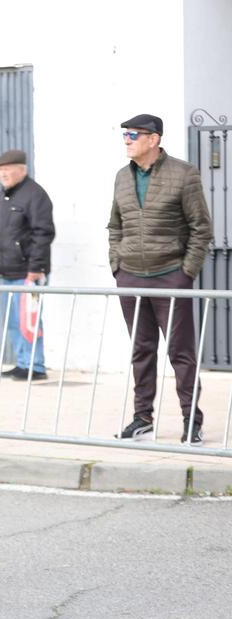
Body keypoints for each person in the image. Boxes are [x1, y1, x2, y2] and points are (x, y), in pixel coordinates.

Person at [108, 114, 213, 444]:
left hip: (170, 277)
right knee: (141, 350)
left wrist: (186, 273)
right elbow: (115, 225)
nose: (126, 140)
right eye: (124, 134)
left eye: (133, 135)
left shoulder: (184, 174)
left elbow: (201, 228)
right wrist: (117, 266)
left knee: (181, 353)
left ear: (153, 139)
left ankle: (190, 420)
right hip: (131, 277)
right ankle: (142, 418)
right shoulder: (122, 178)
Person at [0, 148, 56, 381]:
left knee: (29, 321)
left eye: (8, 169)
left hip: (28, 272)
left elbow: (44, 233)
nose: (3, 174)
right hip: (7, 270)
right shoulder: (3, 196)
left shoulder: (35, 195)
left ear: (22, 169)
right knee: (13, 321)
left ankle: (35, 366)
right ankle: (22, 363)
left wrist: (35, 268)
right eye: (0, 170)